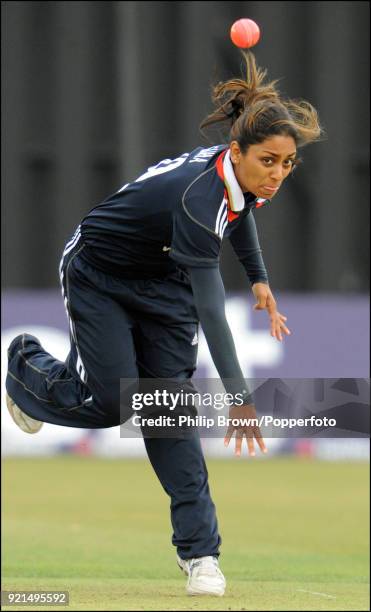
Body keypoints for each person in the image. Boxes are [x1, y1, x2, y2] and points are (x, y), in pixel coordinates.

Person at [5, 50, 322, 597]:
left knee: (166, 412)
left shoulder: (239, 179)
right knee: (112, 404)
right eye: (268, 161)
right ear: (237, 150)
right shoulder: (197, 198)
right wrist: (240, 398)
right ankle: (25, 364)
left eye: (287, 164)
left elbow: (241, 211)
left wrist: (260, 278)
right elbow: (210, 307)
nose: (277, 175)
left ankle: (201, 555)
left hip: (164, 280)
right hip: (100, 273)